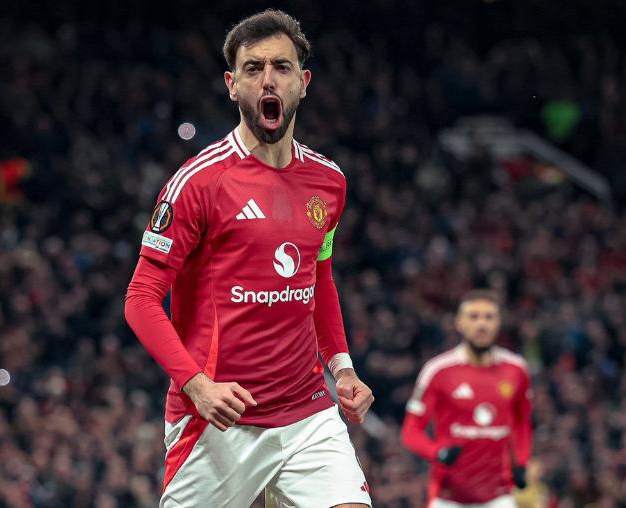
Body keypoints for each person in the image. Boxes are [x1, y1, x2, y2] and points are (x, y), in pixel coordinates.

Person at [124, 9, 373, 508]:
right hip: (220, 419)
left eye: (281, 67)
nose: (268, 79)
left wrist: (343, 368)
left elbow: (319, 279)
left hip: (306, 412)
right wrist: (196, 386)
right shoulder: (198, 183)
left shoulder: (329, 182)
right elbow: (140, 298)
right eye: (253, 68)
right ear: (232, 85)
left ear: (303, 83)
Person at [400, 290, 532, 508]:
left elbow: (522, 422)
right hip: (448, 497)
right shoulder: (438, 371)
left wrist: (521, 461)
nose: (481, 324)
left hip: (499, 496)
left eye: (489, 317)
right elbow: (410, 431)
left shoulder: (516, 370)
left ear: (498, 323)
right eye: (473, 317)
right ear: (459, 323)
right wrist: (437, 453)